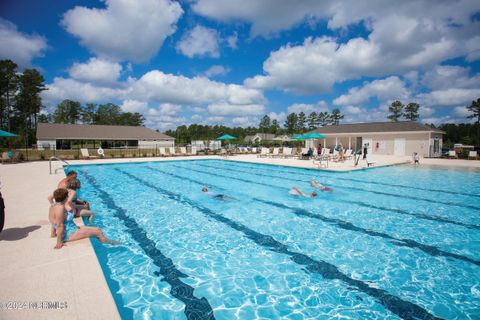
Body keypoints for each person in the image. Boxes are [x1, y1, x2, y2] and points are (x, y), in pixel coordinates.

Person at [49, 188, 115, 249]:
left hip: (71, 229)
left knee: (97, 229)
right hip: (69, 233)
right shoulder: (61, 208)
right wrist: (59, 242)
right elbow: (60, 225)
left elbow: (53, 222)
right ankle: (110, 244)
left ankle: (107, 242)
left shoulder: (53, 206)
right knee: (98, 232)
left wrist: (53, 233)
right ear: (66, 197)